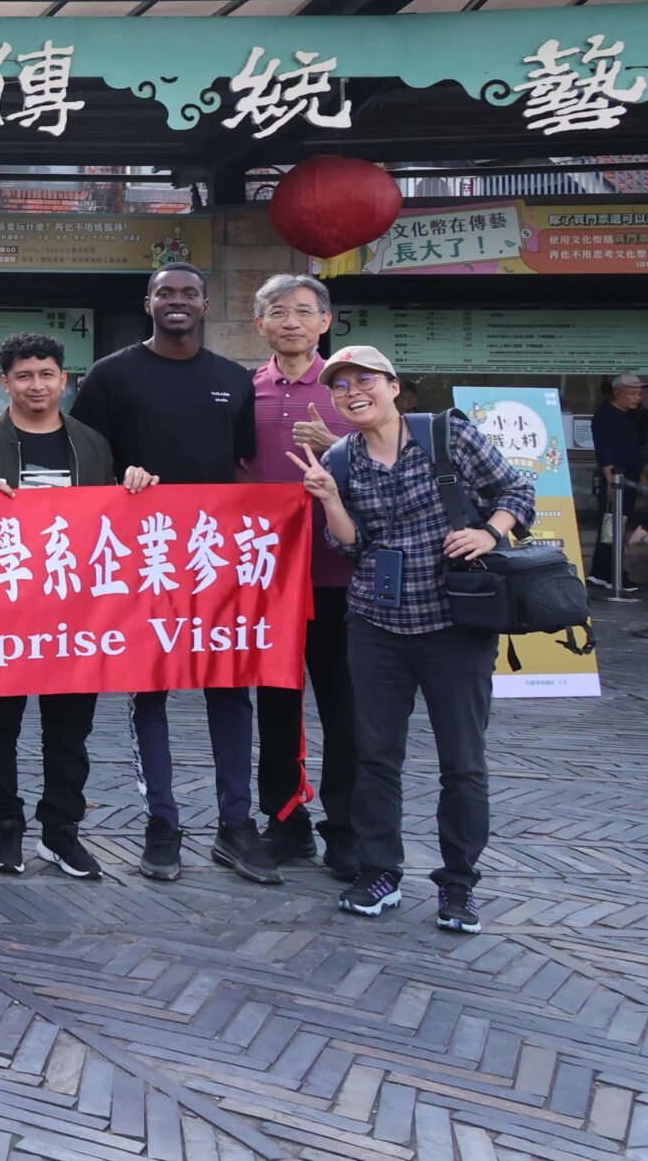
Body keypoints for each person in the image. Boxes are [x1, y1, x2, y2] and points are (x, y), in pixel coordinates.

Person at [294, 344, 534, 932]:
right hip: (375, 625)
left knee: (463, 761)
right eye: (341, 385)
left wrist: (489, 533)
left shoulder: (447, 435)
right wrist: (329, 498)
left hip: (455, 624)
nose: (353, 392)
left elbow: (517, 492)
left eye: (365, 380)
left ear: (393, 386)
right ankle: (380, 871)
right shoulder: (343, 458)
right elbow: (351, 545)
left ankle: (459, 882)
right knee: (374, 757)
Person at [69, 263, 266, 885]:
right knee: (148, 692)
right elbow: (85, 463)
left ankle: (237, 825)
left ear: (206, 304)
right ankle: (162, 823)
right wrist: (118, 483)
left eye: (188, 293)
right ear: (147, 302)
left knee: (230, 689)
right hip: (142, 560)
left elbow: (242, 466)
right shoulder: (111, 374)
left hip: (216, 560)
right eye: (165, 293)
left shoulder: (234, 379)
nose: (176, 301)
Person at [0, 333, 139, 882]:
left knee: (69, 730)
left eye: (47, 374)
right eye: (24, 376)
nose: (36, 385)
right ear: (5, 384)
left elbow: (113, 522)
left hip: (74, 616)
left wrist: (137, 487)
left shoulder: (91, 444)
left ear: (64, 380)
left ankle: (61, 831)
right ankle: (5, 825)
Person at [242, 274, 359, 880]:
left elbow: (390, 458)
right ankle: (285, 822)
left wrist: (336, 441)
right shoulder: (242, 391)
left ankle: (346, 828)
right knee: (276, 705)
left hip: (341, 574)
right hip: (268, 578)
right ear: (259, 323)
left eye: (304, 312)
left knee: (346, 707)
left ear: (325, 322)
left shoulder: (348, 390)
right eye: (279, 312)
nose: (292, 322)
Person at [590, 372, 644, 587]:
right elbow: (605, 453)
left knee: (614, 527)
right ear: (617, 392)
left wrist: (640, 476)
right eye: (632, 393)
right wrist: (612, 482)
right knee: (612, 528)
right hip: (615, 481)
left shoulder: (629, 416)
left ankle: (601, 573)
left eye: (639, 393)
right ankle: (611, 574)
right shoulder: (605, 416)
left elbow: (631, 450)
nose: (637, 398)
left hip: (628, 479)